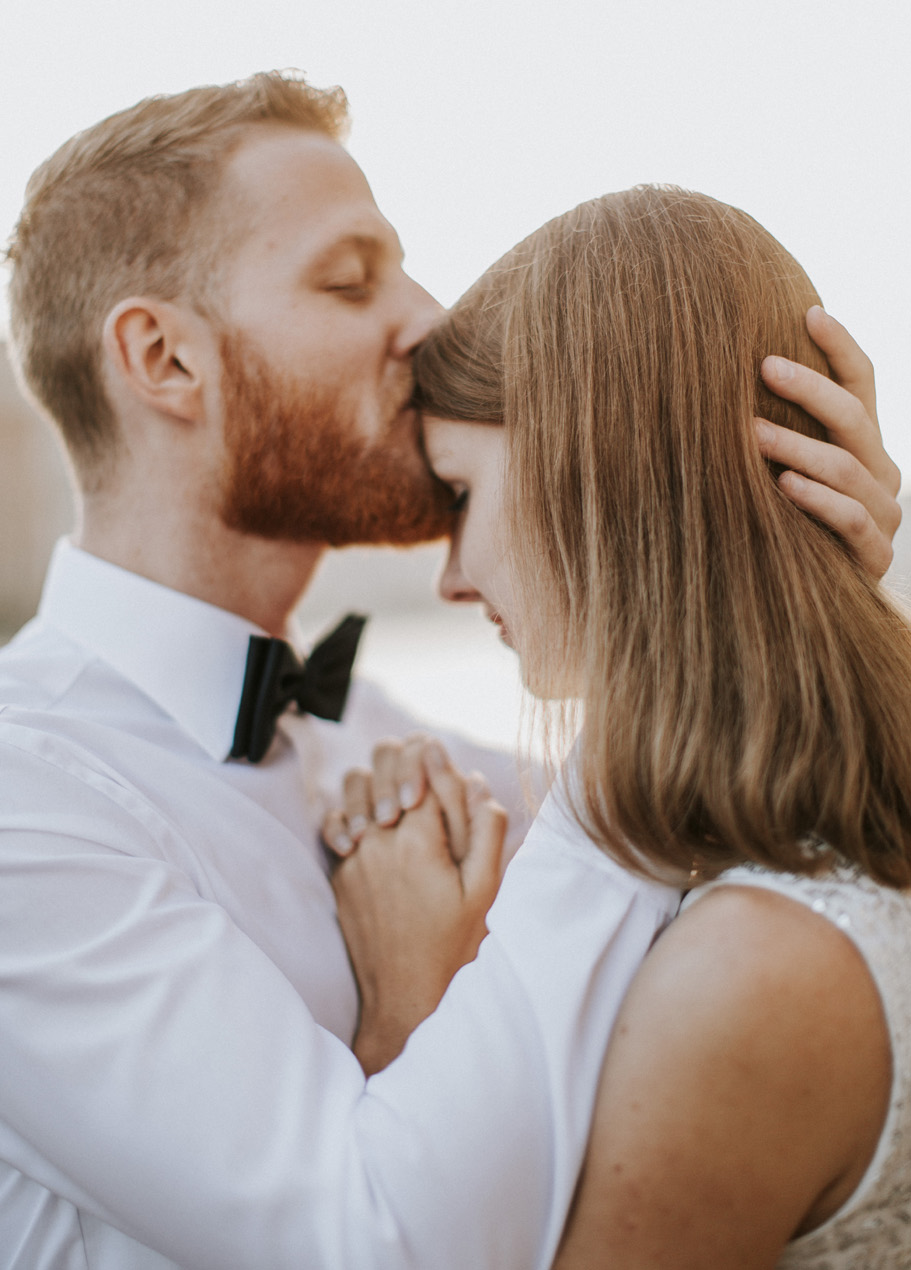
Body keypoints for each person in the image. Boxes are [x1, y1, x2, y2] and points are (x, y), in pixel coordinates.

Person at [0, 67, 900, 1267]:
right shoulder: (31, 809)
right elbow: (369, 1240)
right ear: (162, 359)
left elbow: (758, 833)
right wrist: (412, 1007)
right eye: (347, 279)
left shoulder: (384, 744)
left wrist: (807, 565)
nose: (424, 319)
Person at [327, 185, 911, 1267]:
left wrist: (411, 1018)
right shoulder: (768, 853)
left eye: (458, 494)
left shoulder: (753, 972)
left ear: (591, 467)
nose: (450, 576)